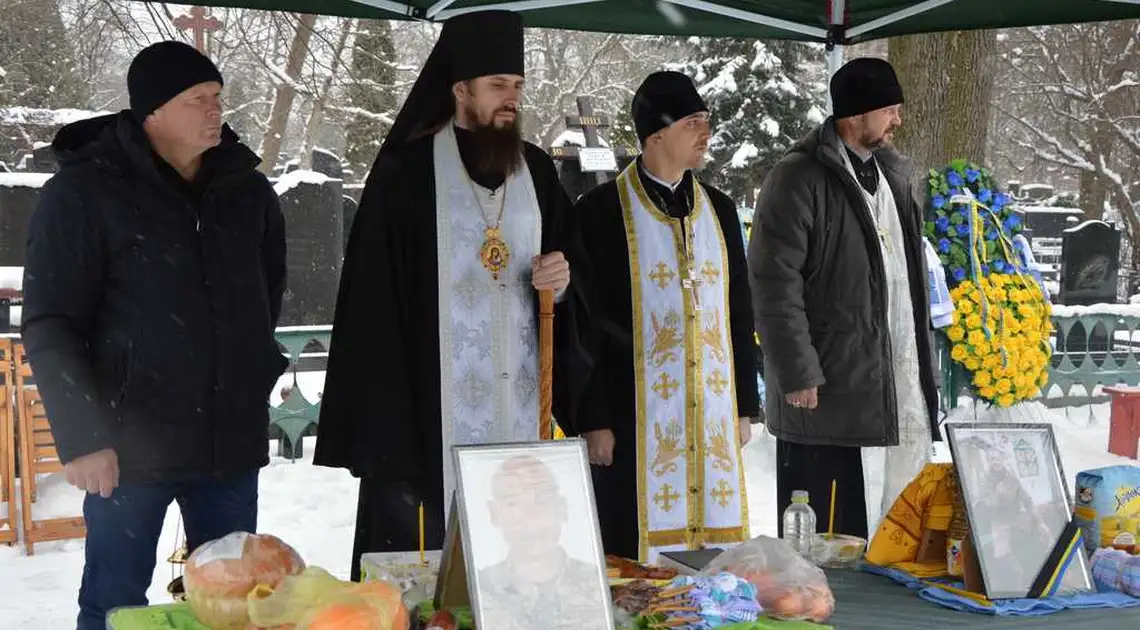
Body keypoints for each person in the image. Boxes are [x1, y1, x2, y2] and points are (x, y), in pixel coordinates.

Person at [313, 10, 591, 581]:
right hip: (424, 417)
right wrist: (385, 429)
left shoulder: (537, 171)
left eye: (516, 87)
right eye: (497, 87)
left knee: (516, 573)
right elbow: (372, 305)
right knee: (421, 579)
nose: (511, 99)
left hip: (518, 412)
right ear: (461, 89)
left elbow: (571, 278)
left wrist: (561, 284)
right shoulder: (406, 173)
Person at [20, 41, 287, 630]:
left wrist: (250, 376)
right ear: (152, 112)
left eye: (218, 97)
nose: (216, 111)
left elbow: (264, 297)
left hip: (227, 446)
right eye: (198, 100)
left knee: (238, 603)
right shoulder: (85, 195)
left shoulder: (247, 193)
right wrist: (83, 436)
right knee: (116, 606)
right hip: (127, 449)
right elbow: (50, 322)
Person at [748, 57, 939, 541]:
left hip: (886, 376)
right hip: (824, 388)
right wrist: (796, 370)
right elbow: (774, 282)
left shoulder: (892, 177)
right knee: (828, 537)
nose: (898, 120)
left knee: (888, 522)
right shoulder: (797, 178)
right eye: (890, 109)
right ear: (856, 113)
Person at [572, 71, 759, 562]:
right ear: (656, 134)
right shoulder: (598, 212)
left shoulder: (719, 208)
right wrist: (592, 418)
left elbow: (740, 309)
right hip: (630, 416)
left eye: (706, 121)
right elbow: (582, 323)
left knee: (714, 560)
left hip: (710, 413)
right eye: (692, 123)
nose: (706, 133)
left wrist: (744, 403)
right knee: (630, 560)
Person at [476, 455, 609, 630]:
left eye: (542, 500)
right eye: (513, 503)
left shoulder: (598, 585)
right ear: (494, 514)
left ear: (562, 507)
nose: (530, 516)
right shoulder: (482, 591)